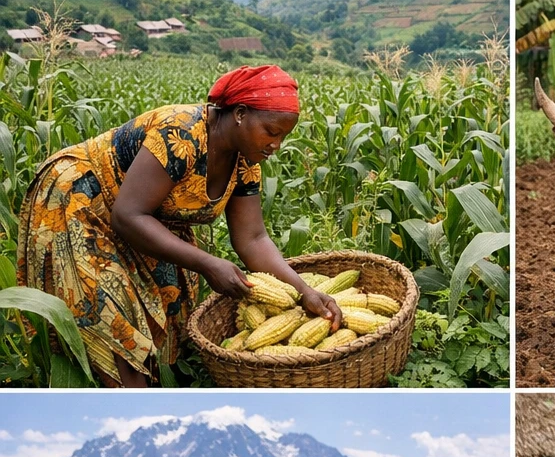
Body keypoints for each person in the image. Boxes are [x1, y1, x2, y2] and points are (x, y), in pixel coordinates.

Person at [17, 65, 341, 387]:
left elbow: (253, 239)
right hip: (81, 200)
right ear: (240, 113)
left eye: (284, 137)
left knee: (168, 308)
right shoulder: (181, 133)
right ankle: (133, 410)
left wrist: (304, 291)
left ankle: (158, 386)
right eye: (272, 132)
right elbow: (128, 215)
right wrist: (208, 263)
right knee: (112, 313)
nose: (277, 145)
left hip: (148, 216)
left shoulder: (246, 161)